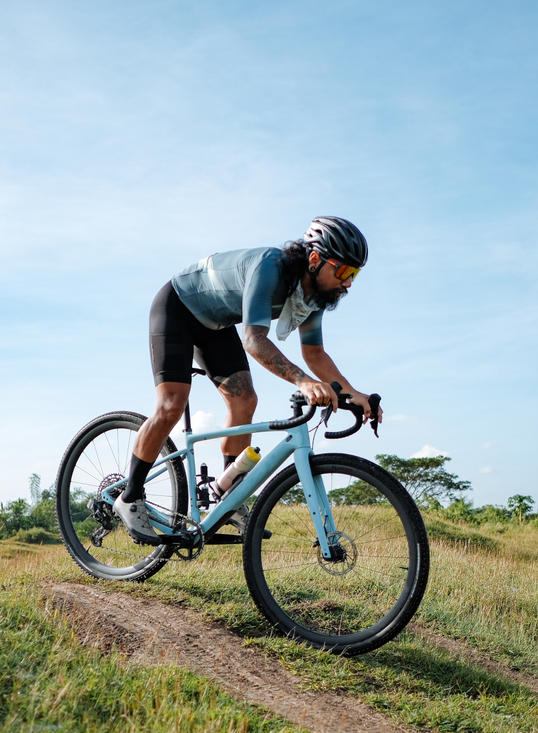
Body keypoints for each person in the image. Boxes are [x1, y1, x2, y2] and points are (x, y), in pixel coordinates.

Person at [115, 216, 382, 545]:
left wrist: (354, 394)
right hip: (178, 308)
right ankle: (129, 496)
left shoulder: (313, 298)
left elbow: (314, 354)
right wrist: (303, 382)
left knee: (244, 401)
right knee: (172, 404)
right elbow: (254, 340)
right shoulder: (271, 268)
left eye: (354, 274)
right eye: (343, 271)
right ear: (315, 260)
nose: (349, 282)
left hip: (216, 325)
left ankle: (227, 498)